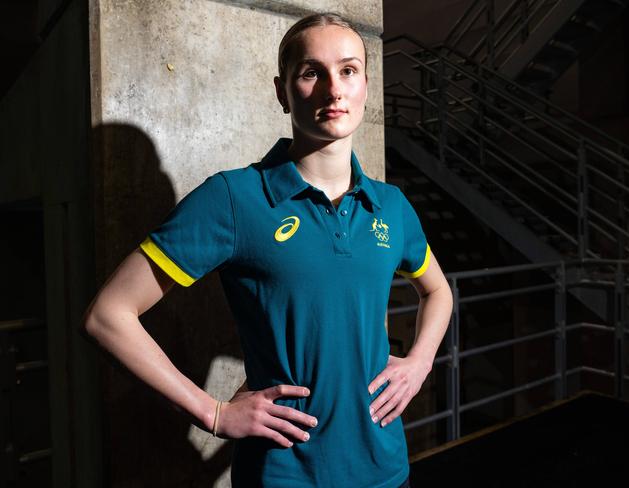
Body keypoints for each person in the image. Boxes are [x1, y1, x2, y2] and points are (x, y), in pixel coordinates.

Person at [83, 12, 453, 488]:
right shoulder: (235, 200)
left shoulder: (392, 207)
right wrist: (213, 413)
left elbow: (438, 292)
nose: (333, 89)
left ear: (365, 85)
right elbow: (108, 316)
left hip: (386, 470)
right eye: (311, 72)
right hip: (284, 477)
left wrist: (420, 362)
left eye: (348, 70)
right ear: (282, 91)